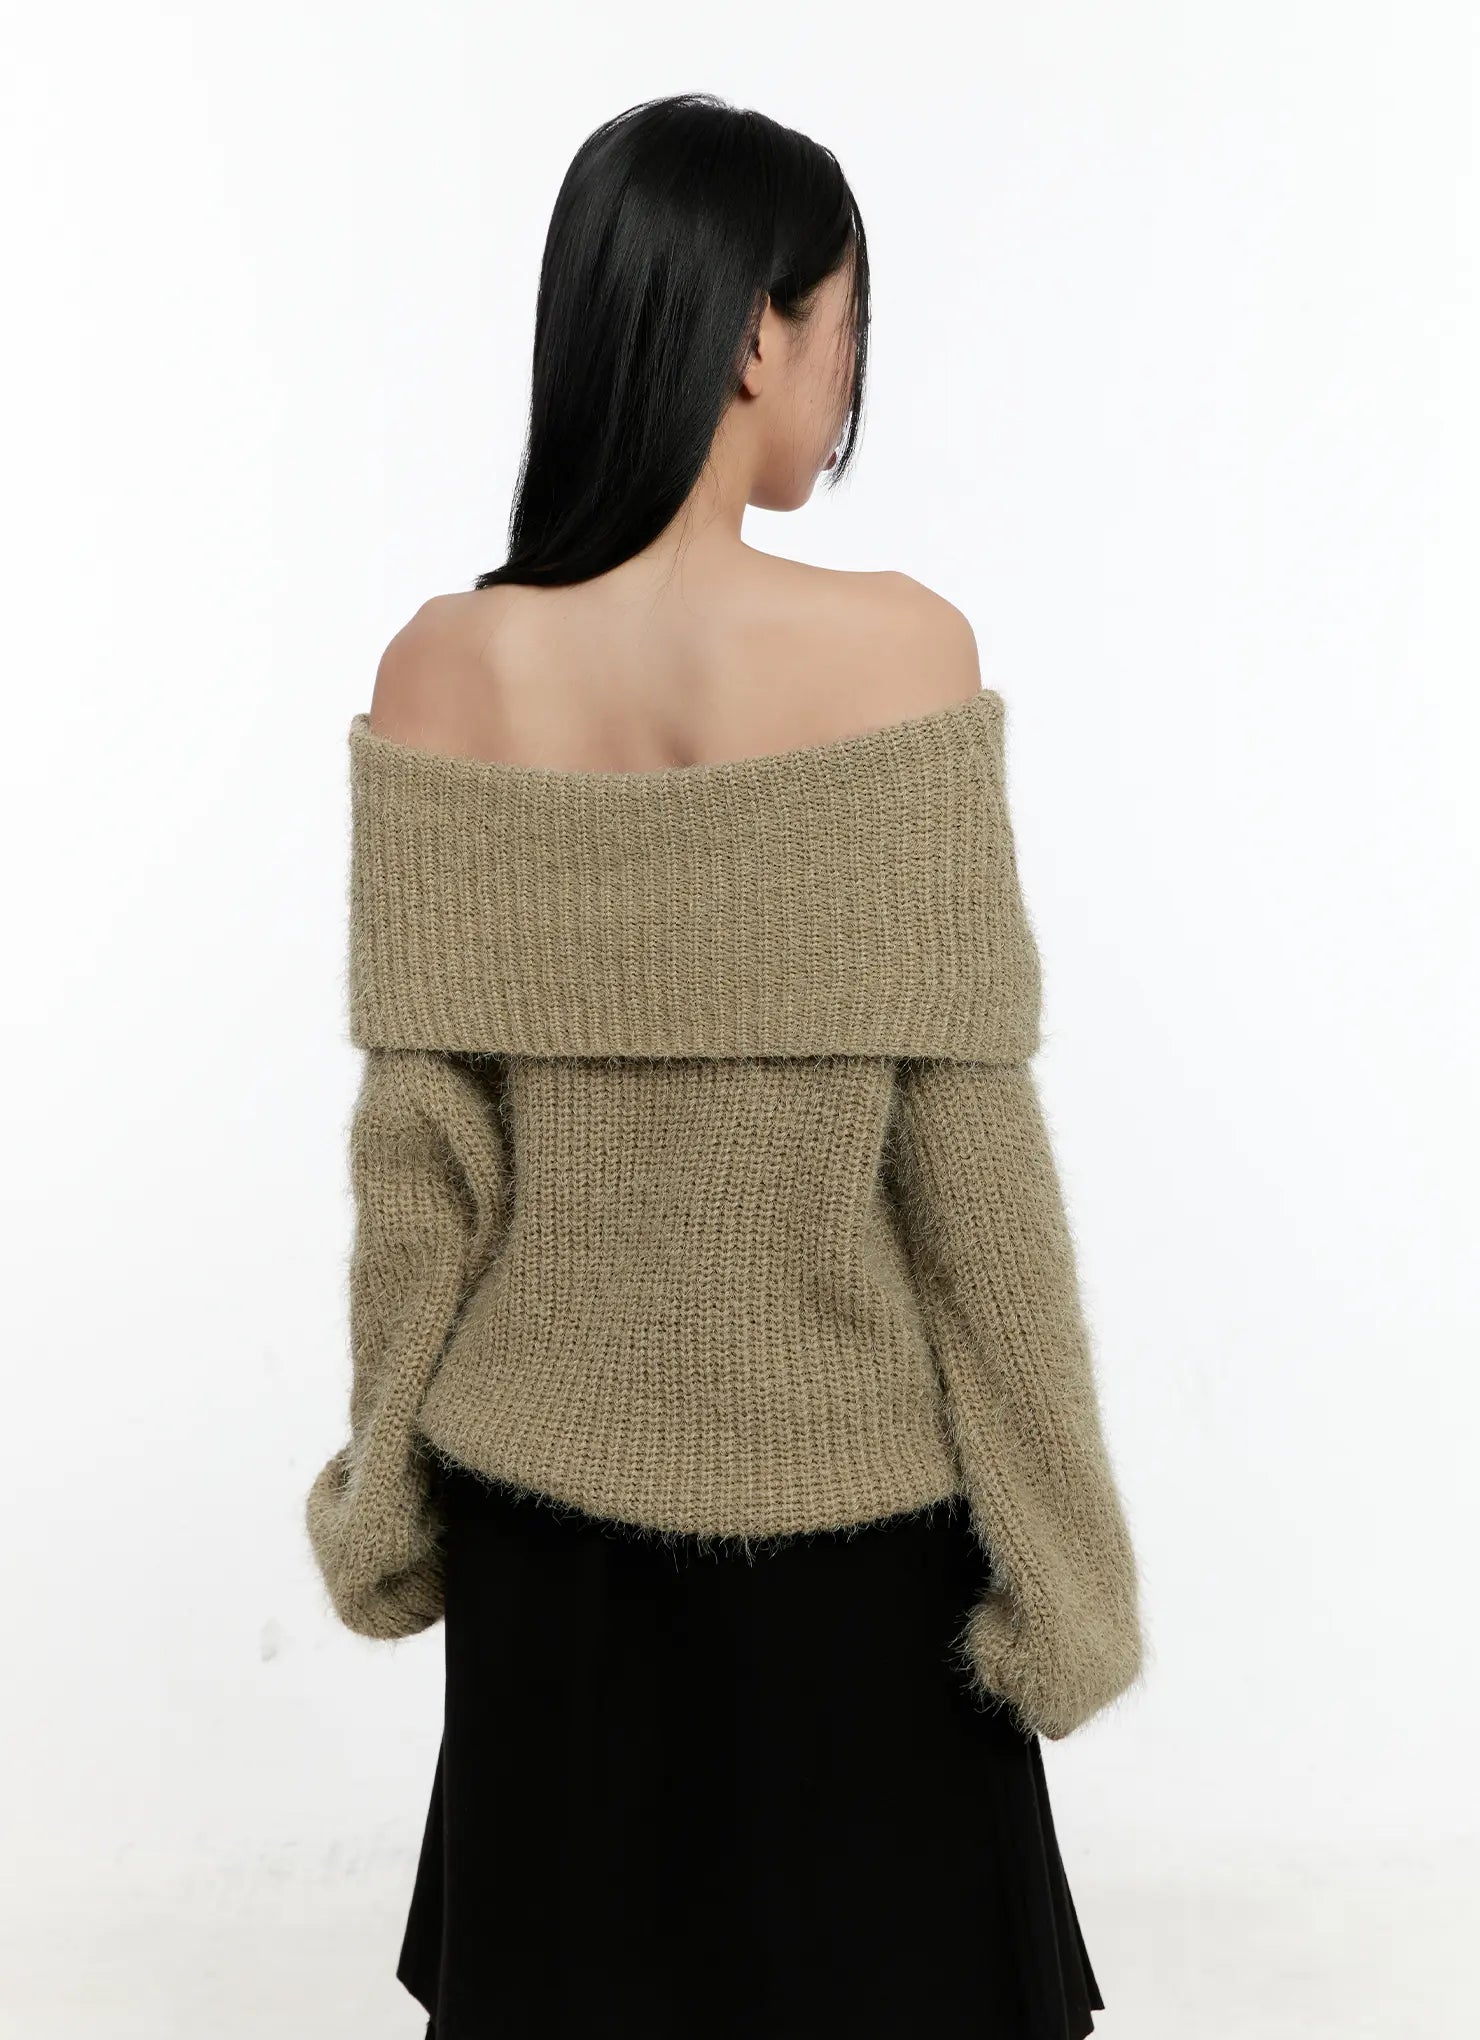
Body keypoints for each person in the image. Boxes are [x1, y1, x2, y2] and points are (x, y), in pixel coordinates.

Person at [304, 89, 1145, 2040]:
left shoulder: (443, 669)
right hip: (856, 1545)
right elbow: (971, 1175)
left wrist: (385, 1494)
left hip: (540, 1542)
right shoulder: (901, 654)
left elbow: (421, 1163)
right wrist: (1069, 1569)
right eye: (846, 320)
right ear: (757, 329)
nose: (846, 374)